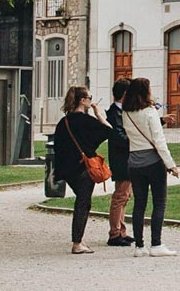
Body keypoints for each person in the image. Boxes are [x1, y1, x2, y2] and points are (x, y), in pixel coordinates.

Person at [119, 77, 180, 257]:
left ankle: (139, 245)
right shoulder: (150, 111)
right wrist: (171, 164)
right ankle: (156, 244)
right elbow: (158, 140)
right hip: (153, 161)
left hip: (134, 160)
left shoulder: (126, 113)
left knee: (140, 204)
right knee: (159, 202)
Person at [52, 86, 115, 254]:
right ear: (82, 100)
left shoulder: (63, 122)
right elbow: (109, 131)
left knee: (81, 200)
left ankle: (78, 239)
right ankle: (77, 242)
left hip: (68, 169)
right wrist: (98, 114)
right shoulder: (87, 121)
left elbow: (58, 147)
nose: (90, 100)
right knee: (83, 203)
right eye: (89, 97)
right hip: (84, 168)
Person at [103, 78, 133, 246]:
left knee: (126, 195)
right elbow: (119, 137)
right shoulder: (115, 114)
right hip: (122, 160)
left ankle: (121, 229)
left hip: (126, 159)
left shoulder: (122, 112)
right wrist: (135, 140)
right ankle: (115, 233)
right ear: (125, 94)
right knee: (120, 196)